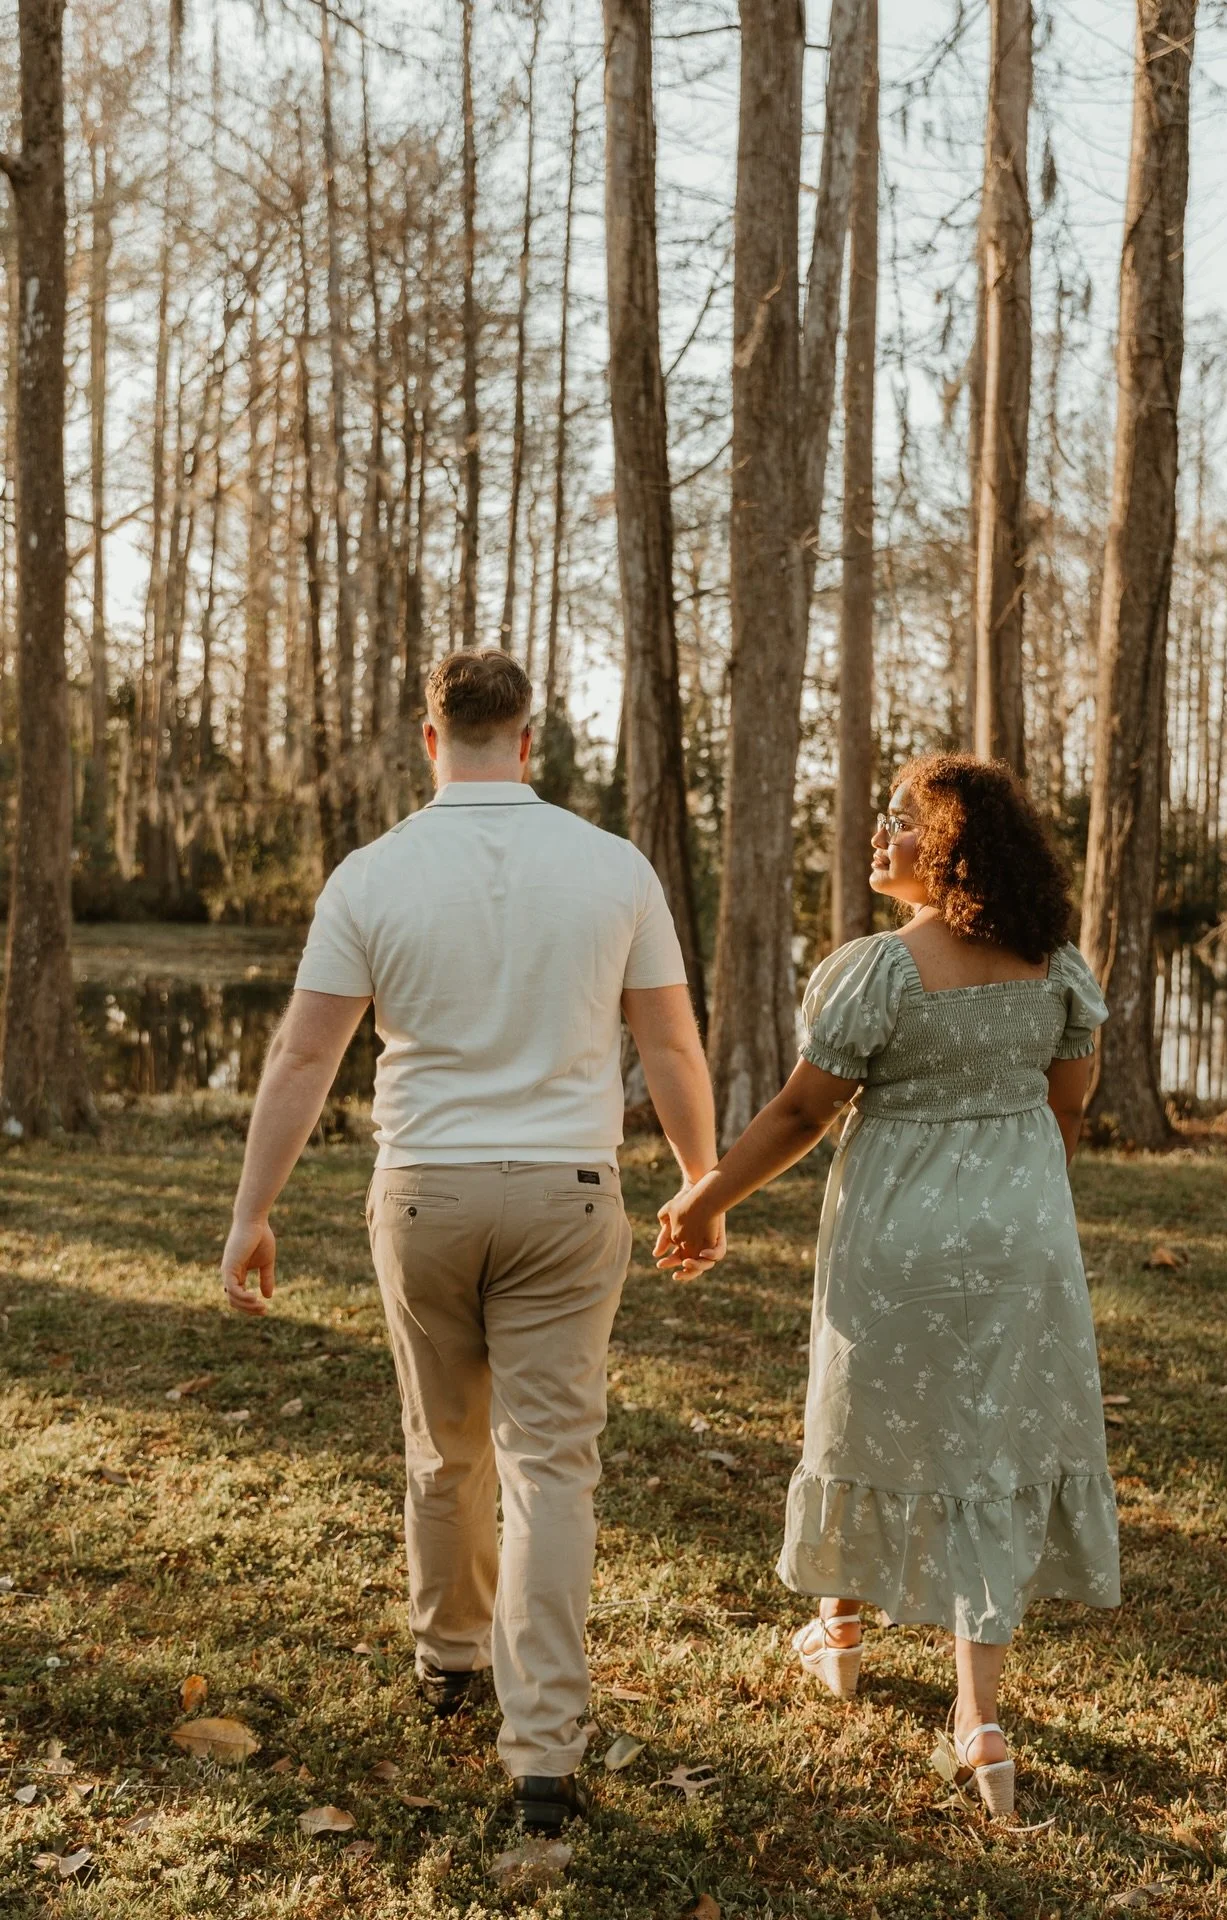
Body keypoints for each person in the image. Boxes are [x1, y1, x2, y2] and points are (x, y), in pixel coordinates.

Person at [221, 650, 720, 1835]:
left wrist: (251, 1212)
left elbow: (304, 1058)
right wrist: (702, 1181)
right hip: (566, 1193)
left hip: (425, 1195)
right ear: (529, 741)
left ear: (429, 739)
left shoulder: (373, 874)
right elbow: (673, 1049)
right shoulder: (613, 869)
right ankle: (542, 1756)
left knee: (444, 1448)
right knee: (552, 1467)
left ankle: (449, 1658)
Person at [659, 753, 1120, 1820]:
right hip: (1022, 1237)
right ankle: (980, 1719)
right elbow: (1067, 1105)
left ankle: (844, 1628)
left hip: (895, 1228)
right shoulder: (1057, 968)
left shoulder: (878, 970)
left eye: (903, 822)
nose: (880, 836)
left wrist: (707, 1199)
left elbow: (798, 1116)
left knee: (863, 1410)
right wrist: (1013, 1199)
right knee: (990, 1444)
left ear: (952, 848)